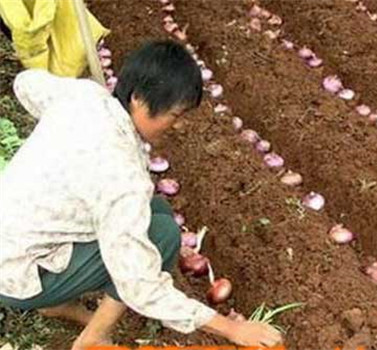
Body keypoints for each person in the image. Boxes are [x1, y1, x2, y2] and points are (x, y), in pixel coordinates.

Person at [0, 40, 283, 349]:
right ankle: (91, 339)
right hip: (16, 276)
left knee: (156, 209)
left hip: (14, 242)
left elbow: (25, 83)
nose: (177, 126)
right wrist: (230, 329)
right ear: (137, 98)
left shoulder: (83, 95)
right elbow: (139, 285)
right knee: (162, 236)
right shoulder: (122, 174)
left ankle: (56, 304)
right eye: (175, 115)